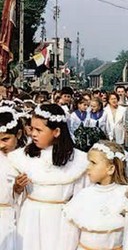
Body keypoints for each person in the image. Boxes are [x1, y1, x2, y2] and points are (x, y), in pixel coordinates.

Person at [9, 104, 89, 250]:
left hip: (61, 222)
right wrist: (17, 188)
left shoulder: (77, 161)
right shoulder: (22, 157)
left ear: (56, 131)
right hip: (30, 218)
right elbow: (13, 198)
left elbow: (82, 199)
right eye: (32, 129)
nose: (33, 134)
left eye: (39, 130)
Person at [63, 140, 128, 250]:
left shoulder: (125, 195)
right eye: (89, 162)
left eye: (93, 163)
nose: (88, 167)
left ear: (111, 169)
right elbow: (70, 236)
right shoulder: (84, 195)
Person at [0, 108, 27, 250]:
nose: (1, 145)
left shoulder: (24, 160)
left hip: (14, 217)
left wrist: (17, 190)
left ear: (18, 134)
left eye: (5, 139)